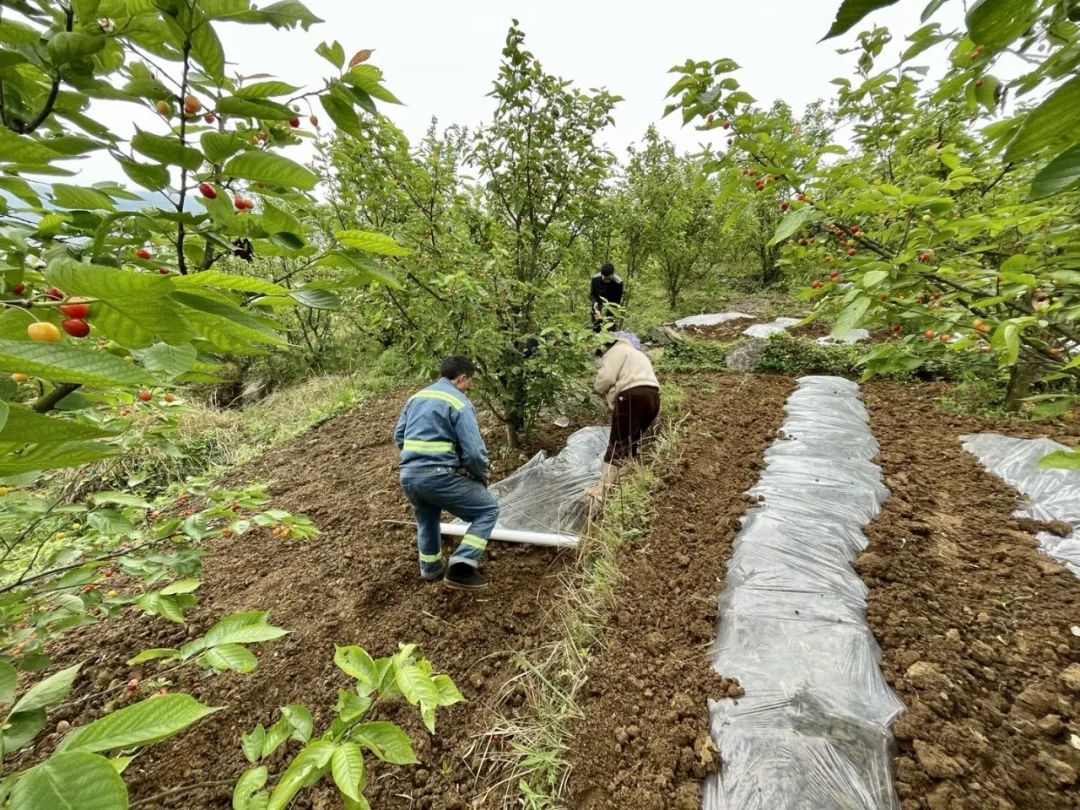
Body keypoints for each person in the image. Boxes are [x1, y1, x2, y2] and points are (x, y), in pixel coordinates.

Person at [394, 355, 497, 590]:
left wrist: (417, 461)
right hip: (439, 476)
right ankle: (461, 567)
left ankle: (431, 569)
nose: (469, 388)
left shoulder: (416, 398)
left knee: (427, 519)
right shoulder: (458, 402)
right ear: (461, 378)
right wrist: (480, 476)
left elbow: (399, 436)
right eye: (469, 382)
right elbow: (472, 453)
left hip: (409, 477)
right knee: (487, 510)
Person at [587, 331, 661, 499]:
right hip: (653, 398)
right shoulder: (635, 353)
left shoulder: (615, 351)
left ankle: (603, 489)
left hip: (632, 396)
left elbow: (605, 379)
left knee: (617, 442)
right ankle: (627, 477)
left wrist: (597, 387)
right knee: (631, 440)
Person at [589, 262, 624, 333]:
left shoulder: (618, 283)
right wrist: (595, 304)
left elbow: (617, 302)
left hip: (610, 307)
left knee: (610, 330)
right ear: (601, 274)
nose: (607, 281)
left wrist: (610, 313)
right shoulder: (595, 279)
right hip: (597, 306)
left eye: (609, 279)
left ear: (613, 274)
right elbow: (592, 294)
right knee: (596, 328)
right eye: (605, 279)